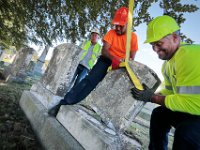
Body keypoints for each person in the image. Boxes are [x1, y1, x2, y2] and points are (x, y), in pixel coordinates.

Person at [48, 7, 138, 116]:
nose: (118, 28)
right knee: (89, 81)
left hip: (120, 66)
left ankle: (105, 118)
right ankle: (64, 103)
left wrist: (122, 63)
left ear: (128, 24)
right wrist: (114, 59)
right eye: (116, 25)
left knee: (112, 91)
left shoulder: (133, 38)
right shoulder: (111, 33)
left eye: (121, 25)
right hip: (106, 60)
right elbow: (104, 51)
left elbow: (132, 58)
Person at [131, 15, 200, 150]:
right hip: (194, 110)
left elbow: (193, 102)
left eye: (159, 44)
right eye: (153, 45)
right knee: (159, 115)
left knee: (187, 133)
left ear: (175, 38)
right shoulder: (167, 65)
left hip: (196, 107)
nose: (155, 49)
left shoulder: (189, 55)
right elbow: (169, 92)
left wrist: (152, 97)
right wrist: (150, 93)